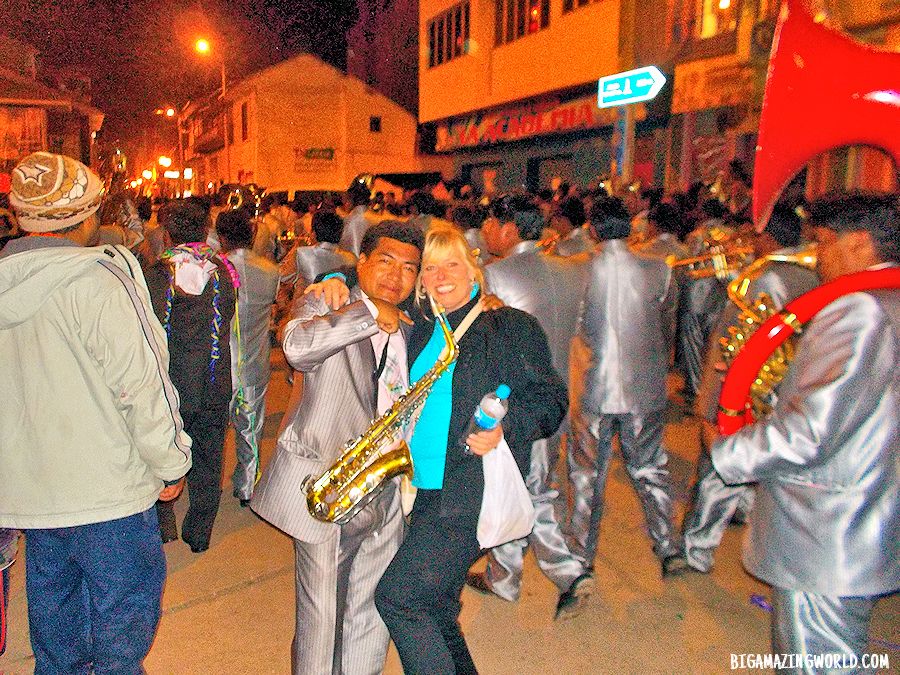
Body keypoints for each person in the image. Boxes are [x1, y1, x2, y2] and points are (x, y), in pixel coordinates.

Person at [0, 152, 191, 672]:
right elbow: (141, 384)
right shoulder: (100, 281)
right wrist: (171, 463)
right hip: (109, 495)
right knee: (120, 640)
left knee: (56, 639)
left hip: (35, 497)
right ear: (87, 218)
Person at [710, 193, 898, 664]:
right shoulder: (889, 299)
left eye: (824, 242)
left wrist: (728, 449)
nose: (815, 257)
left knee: (816, 658)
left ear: (859, 244)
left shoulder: (858, 310)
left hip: (827, 529)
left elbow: (809, 432)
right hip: (868, 511)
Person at [374, 224, 568, 674]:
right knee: (438, 607)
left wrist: (507, 428)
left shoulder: (508, 326)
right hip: (420, 489)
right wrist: (329, 282)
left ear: (474, 270)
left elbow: (551, 398)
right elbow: (366, 277)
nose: (441, 276)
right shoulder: (421, 329)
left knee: (401, 600)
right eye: (430, 267)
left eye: (452, 264)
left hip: (467, 494)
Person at [251, 221, 423, 675]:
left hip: (387, 483)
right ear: (360, 262)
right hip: (329, 486)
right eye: (385, 261)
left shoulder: (413, 321)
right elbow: (297, 347)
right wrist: (363, 314)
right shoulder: (329, 301)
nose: (396, 277)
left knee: (369, 613)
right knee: (322, 618)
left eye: (409, 268)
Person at [467, 195, 593, 619]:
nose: (485, 232)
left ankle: (569, 572)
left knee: (530, 491)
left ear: (510, 229)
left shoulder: (495, 275)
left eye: (490, 225)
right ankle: (504, 576)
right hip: (560, 394)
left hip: (518, 399)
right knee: (517, 486)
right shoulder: (571, 269)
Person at [676, 205, 819, 574]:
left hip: (748, 391)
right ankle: (746, 509)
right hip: (786, 389)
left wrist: (712, 395)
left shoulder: (765, 277)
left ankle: (696, 547)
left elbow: (735, 340)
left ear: (768, 237)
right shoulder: (812, 273)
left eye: (756, 235)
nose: (750, 241)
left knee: (717, 466)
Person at [567, 196, 684, 577]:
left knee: (587, 474)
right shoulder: (659, 269)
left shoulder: (576, 270)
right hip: (645, 385)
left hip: (592, 387)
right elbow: (666, 325)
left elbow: (574, 327)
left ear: (592, 229)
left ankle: (581, 559)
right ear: (631, 226)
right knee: (650, 468)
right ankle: (669, 547)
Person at [145, 201, 237, 553]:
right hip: (214, 381)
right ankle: (199, 532)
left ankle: (164, 524)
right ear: (205, 232)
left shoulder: (156, 274)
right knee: (210, 458)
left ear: (167, 233)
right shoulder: (224, 271)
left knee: (162, 452)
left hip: (170, 385)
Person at [216, 209, 280, 506]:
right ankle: (246, 487)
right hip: (254, 361)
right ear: (252, 235)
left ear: (221, 237)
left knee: (213, 432)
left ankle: (207, 486)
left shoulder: (213, 268)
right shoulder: (271, 270)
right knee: (250, 430)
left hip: (217, 365)